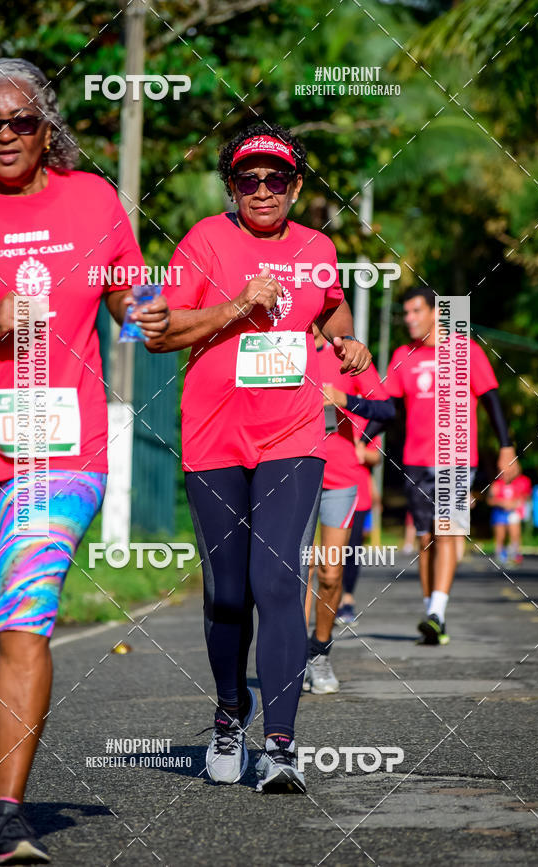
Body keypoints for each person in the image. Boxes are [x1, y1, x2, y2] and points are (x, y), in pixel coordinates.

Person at [0, 58, 168, 863]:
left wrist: (143, 305)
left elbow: (127, 295)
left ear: (48, 127)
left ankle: (9, 812)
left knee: (25, 610)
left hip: (61, 450)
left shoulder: (93, 200)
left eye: (21, 122)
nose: (6, 135)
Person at [145, 123, 372, 792]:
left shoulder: (317, 246)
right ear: (232, 186)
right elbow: (160, 332)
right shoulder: (205, 241)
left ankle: (279, 745)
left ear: (297, 186)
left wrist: (351, 342)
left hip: (293, 435)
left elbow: (331, 312)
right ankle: (227, 717)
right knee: (228, 595)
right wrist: (236, 303)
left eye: (277, 178)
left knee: (277, 582)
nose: (264, 189)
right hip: (214, 436)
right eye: (249, 179)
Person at [363, 287, 518, 645]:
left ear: (436, 313)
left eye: (416, 311)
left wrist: (506, 446)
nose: (410, 319)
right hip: (415, 460)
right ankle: (433, 613)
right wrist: (363, 438)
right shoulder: (403, 356)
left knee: (447, 531)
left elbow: (491, 399)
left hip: (456, 458)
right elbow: (389, 409)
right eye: (406, 313)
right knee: (425, 539)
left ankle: (437, 612)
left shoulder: (466, 351)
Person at [303, 325, 393, 693]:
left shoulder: (346, 353)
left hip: (340, 475)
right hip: (290, 472)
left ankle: (319, 654)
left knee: (329, 573)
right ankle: (290, 658)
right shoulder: (277, 346)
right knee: (296, 571)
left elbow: (387, 408)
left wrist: (345, 402)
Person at [334, 425, 383, 625]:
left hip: (360, 495)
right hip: (333, 490)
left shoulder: (368, 422)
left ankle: (347, 599)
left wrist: (359, 447)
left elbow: (377, 457)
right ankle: (333, 599)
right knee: (335, 550)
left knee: (353, 548)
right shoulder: (330, 415)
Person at [488, 470, 532, 565]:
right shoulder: (497, 484)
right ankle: (500, 554)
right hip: (500, 512)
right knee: (501, 535)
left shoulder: (519, 483)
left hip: (513, 512)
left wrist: (516, 503)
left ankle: (514, 554)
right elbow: (490, 500)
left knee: (515, 534)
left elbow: (525, 496)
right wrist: (502, 502)